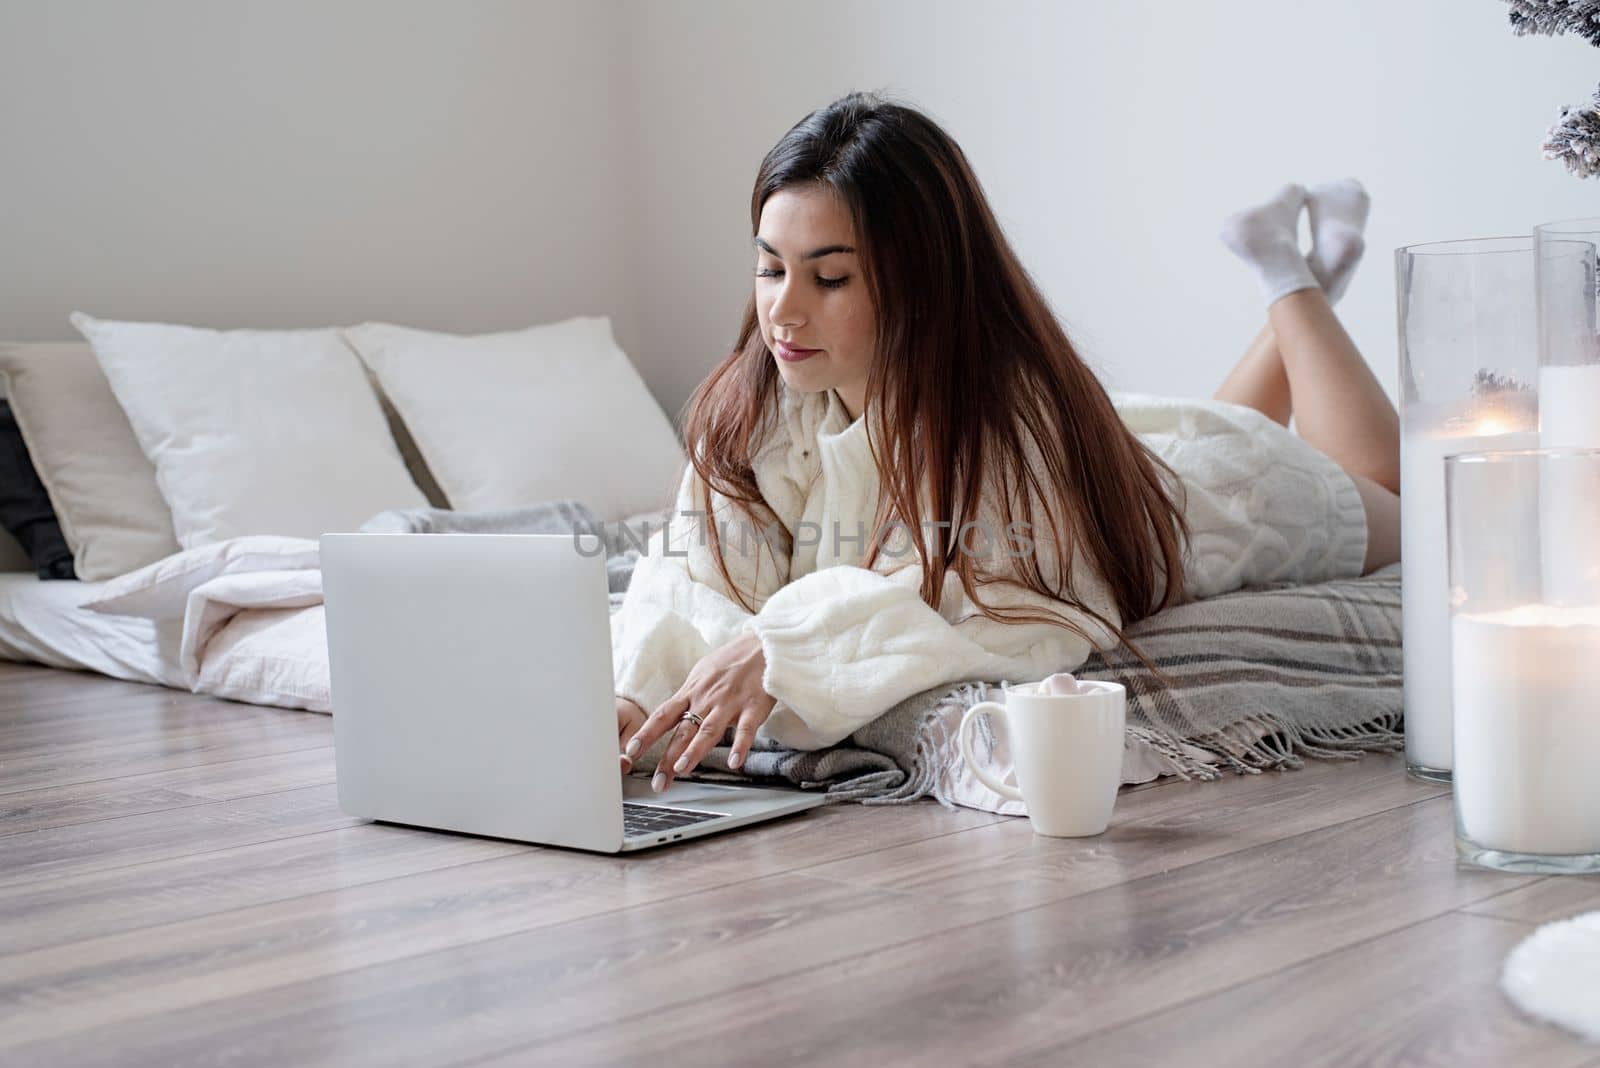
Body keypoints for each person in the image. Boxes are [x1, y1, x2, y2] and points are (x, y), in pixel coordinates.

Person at [612, 91, 1401, 794]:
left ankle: (1287, 276)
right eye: (769, 268)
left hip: (1222, 498)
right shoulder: (758, 403)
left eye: (830, 278)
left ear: (919, 278)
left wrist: (786, 645)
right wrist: (634, 694)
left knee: (1389, 488)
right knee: (1201, 429)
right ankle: (1305, 283)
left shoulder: (1003, 423)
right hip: (1124, 458)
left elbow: (1015, 615)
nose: (783, 313)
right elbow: (695, 573)